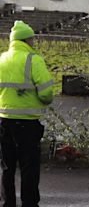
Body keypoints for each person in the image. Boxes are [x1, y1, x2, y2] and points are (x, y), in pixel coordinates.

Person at [0, 20, 54, 207]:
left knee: (7, 167)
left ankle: (7, 203)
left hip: (4, 121)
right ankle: (29, 203)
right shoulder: (33, 60)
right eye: (32, 39)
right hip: (28, 124)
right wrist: (41, 101)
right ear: (27, 40)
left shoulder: (2, 59)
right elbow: (47, 92)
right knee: (29, 169)